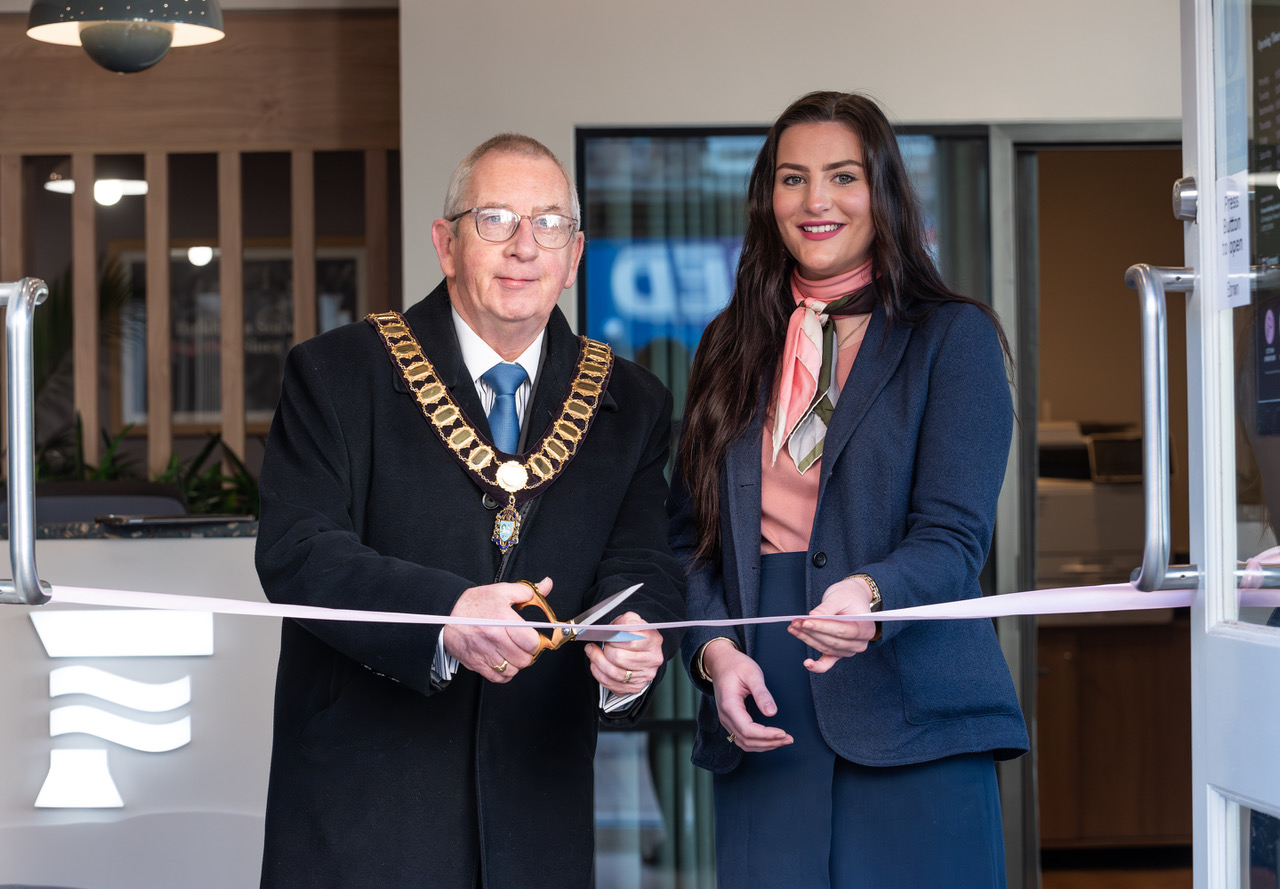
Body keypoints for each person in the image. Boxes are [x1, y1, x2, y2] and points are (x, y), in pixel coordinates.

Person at [255, 133, 686, 889]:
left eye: (549, 223)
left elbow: (644, 559)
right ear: (445, 244)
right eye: (495, 219)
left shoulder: (632, 401)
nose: (525, 246)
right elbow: (298, 550)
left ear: (575, 254)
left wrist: (634, 644)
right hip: (367, 806)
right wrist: (443, 613)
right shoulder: (337, 372)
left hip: (538, 804)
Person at [669, 91, 1029, 888]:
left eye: (843, 176)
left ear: (885, 192)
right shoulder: (729, 344)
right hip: (760, 701)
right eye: (793, 179)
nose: (816, 201)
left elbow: (953, 535)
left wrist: (870, 592)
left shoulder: (952, 337)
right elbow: (688, 535)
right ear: (768, 198)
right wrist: (713, 653)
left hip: (909, 705)